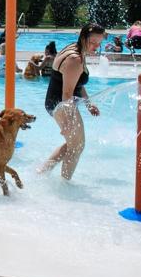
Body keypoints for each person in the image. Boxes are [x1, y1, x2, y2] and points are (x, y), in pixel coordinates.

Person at [39, 23, 105, 180]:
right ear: (83, 38)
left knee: (73, 143)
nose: (96, 46)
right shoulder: (75, 59)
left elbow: (77, 83)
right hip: (61, 104)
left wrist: (88, 104)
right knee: (77, 145)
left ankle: (42, 171)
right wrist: (68, 121)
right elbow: (67, 92)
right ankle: (65, 185)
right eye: (93, 42)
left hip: (58, 102)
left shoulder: (76, 49)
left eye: (99, 42)